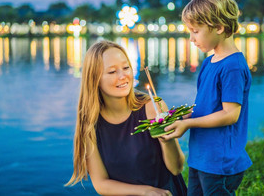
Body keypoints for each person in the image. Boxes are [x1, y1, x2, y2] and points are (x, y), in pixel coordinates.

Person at [65, 41, 187, 196]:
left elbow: (177, 168)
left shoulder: (153, 107)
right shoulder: (89, 124)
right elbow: (101, 184)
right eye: (112, 72)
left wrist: (166, 139)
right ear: (94, 79)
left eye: (126, 67)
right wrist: (146, 191)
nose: (123, 76)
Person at [162, 0, 252, 195]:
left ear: (219, 27)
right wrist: (182, 115)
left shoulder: (233, 66)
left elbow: (230, 114)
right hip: (200, 156)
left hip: (219, 161)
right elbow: (206, 108)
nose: (191, 38)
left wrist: (188, 124)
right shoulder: (209, 62)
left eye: (195, 31)